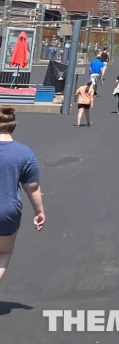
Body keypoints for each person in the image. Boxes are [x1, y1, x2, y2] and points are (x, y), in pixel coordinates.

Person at [0, 106, 45, 289]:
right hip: (6, 210)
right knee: (3, 253)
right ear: (13, 125)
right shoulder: (24, 153)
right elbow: (32, 187)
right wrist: (39, 212)